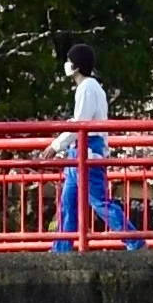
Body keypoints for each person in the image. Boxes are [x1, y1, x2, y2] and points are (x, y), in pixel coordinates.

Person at [54, 65, 143, 252]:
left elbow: (81, 123)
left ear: (76, 65)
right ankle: (61, 248)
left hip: (86, 149)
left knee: (98, 201)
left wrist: (56, 145)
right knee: (68, 203)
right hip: (80, 148)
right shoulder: (92, 87)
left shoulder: (87, 88)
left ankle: (134, 241)